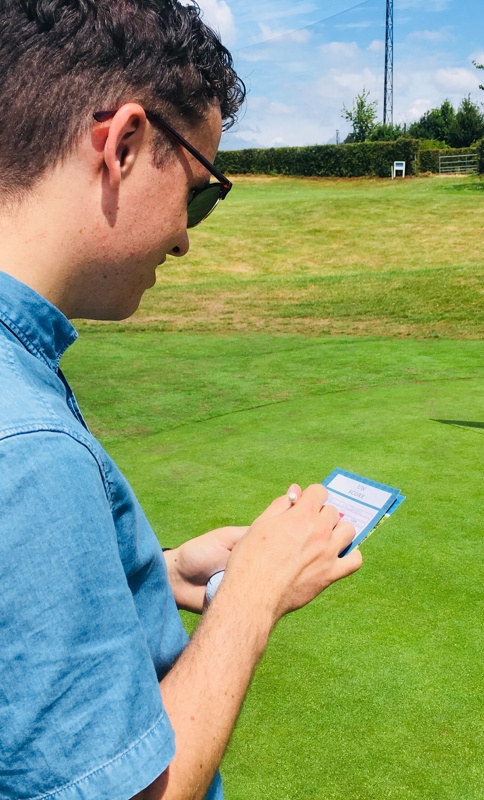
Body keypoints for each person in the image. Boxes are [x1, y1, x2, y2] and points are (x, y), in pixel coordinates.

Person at [0, 2, 361, 798]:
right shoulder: (26, 446)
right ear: (123, 144)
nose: (186, 236)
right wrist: (254, 596)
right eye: (201, 191)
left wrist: (148, 575)